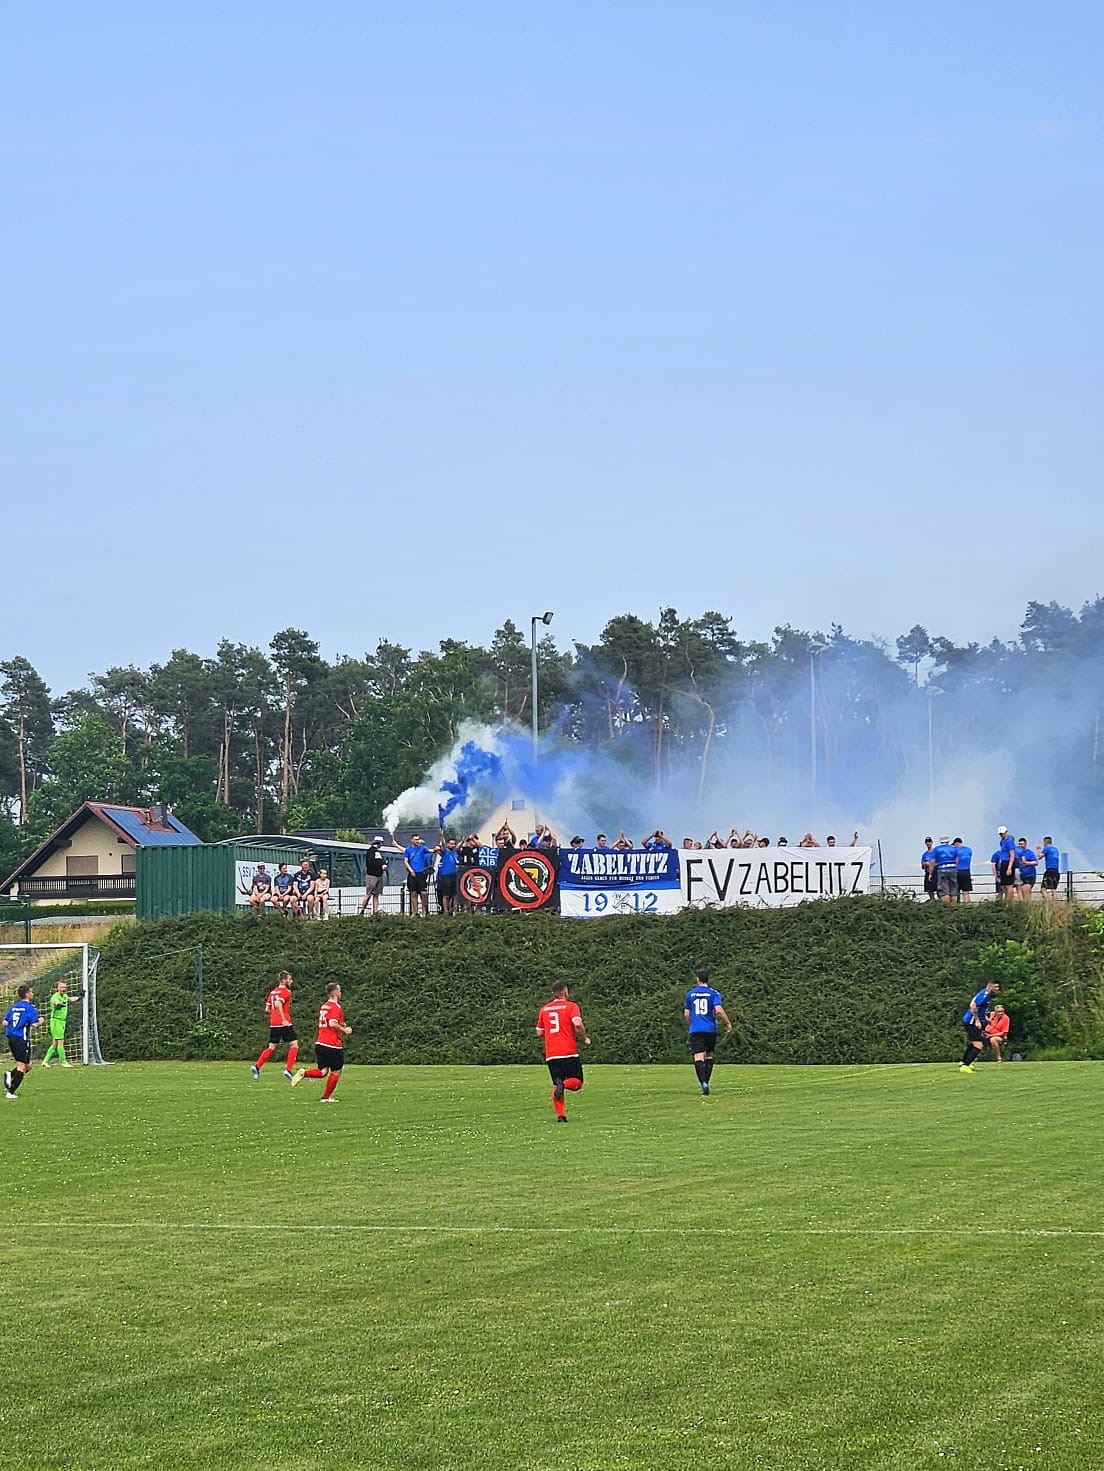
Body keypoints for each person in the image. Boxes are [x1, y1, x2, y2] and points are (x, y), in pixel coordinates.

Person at [535, 981, 590, 1123]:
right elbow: (577, 1024)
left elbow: (539, 1032)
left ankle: (561, 1116)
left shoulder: (544, 1009)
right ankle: (563, 1085)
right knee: (577, 1082)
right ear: (565, 991)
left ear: (553, 993)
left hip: (551, 1053)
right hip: (568, 1051)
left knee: (556, 1083)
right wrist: (584, 1038)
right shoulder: (571, 1006)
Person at [291, 983, 351, 1102]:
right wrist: (345, 1030)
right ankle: (326, 1097)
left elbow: (330, 1022)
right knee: (336, 1071)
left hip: (320, 1043)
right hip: (332, 1044)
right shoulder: (335, 1007)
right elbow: (332, 1024)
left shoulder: (324, 1006)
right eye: (339, 991)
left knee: (323, 1071)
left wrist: (341, 1024)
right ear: (334, 993)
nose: (340, 993)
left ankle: (305, 1073)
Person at [683, 968, 733, 1096]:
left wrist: (691, 1024)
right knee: (709, 1054)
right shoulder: (714, 993)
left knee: (698, 1056)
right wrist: (727, 1023)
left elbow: (687, 1013)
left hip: (696, 1029)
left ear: (697, 979)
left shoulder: (691, 994)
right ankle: (706, 1080)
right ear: (707, 979)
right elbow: (718, 1010)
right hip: (710, 1029)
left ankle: (703, 1082)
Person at [250, 970, 300, 1081]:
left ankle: (257, 1066)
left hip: (273, 1023)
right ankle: (288, 1069)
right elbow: (278, 1004)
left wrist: (275, 1016)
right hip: (284, 1022)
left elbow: (267, 1009)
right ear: (284, 980)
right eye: (289, 979)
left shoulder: (273, 992)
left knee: (271, 1047)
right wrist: (283, 1019)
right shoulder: (286, 992)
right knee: (294, 1045)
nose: (291, 981)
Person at [3, 985, 42, 1100]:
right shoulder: (30, 1008)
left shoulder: (14, 1007)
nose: (32, 994)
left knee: (28, 1066)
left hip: (11, 1037)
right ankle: (10, 1092)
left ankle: (10, 1075)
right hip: (21, 1038)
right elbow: (35, 1024)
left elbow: (5, 1022)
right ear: (27, 994)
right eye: (31, 992)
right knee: (22, 1066)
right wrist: (41, 1021)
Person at [959, 981, 1000, 1072]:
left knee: (974, 1043)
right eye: (996, 986)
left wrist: (985, 1018)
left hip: (972, 1020)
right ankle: (965, 1066)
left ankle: (964, 1061)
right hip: (972, 1021)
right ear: (990, 986)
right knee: (978, 1045)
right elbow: (973, 1006)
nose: (997, 989)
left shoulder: (986, 994)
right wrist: (977, 1020)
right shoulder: (984, 995)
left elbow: (980, 1009)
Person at [41, 979, 79, 1068]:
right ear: (57, 988)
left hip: (62, 1021)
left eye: (65, 987)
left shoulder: (65, 996)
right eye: (62, 987)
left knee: (55, 1043)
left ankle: (45, 1061)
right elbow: (56, 1002)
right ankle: (63, 1061)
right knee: (60, 1041)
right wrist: (58, 1005)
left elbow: (71, 999)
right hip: (56, 1021)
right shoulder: (55, 997)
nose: (64, 989)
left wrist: (79, 996)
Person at [403, 834, 434, 917]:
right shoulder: (408, 850)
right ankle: (415, 912)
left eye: (418, 839)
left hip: (421, 873)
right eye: (415, 839)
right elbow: (405, 861)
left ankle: (424, 910)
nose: (417, 841)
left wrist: (437, 847)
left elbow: (432, 851)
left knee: (423, 893)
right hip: (412, 873)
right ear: (412, 840)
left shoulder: (422, 848)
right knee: (413, 893)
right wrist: (411, 870)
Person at [359, 839, 387, 916]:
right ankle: (362, 910)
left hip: (379, 875)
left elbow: (381, 860)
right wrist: (380, 866)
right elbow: (371, 863)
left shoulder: (378, 852)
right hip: (372, 875)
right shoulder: (371, 851)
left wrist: (384, 865)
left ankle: (375, 911)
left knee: (376, 894)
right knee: (369, 894)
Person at [434, 835, 459, 915]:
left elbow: (460, 846)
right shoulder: (445, 852)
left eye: (454, 844)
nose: (453, 845)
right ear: (448, 844)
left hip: (454, 874)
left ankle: (453, 910)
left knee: (453, 894)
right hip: (445, 875)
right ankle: (446, 911)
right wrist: (442, 836)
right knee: (446, 895)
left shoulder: (455, 853)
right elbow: (443, 846)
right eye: (451, 844)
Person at [932, 836, 958, 903]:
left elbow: (932, 861)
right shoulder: (954, 849)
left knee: (944, 891)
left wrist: (930, 873)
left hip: (941, 869)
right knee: (953, 890)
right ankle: (954, 907)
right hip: (952, 869)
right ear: (948, 841)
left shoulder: (936, 849)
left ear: (940, 841)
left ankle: (947, 908)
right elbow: (957, 860)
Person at [996, 826, 1017, 899]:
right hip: (1003, 862)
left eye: (1002, 833)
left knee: (1009, 885)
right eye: (1000, 834)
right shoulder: (1002, 841)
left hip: (1008, 862)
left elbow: (1012, 854)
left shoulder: (1009, 841)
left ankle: (1010, 901)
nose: (1001, 835)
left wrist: (1009, 867)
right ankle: (1006, 899)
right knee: (1003, 884)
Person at [1039, 836, 1061, 902]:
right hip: (1056, 870)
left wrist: (1038, 850)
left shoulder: (1046, 848)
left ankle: (1048, 902)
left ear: (1045, 842)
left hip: (1049, 870)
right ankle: (1054, 904)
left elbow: (1039, 857)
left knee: (1043, 889)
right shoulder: (1056, 849)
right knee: (1053, 889)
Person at [953, 838, 973, 904]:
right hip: (967, 871)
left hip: (958, 871)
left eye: (954, 845)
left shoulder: (955, 850)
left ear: (957, 843)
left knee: (955, 892)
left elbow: (956, 861)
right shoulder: (969, 850)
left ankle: (955, 907)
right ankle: (967, 908)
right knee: (966, 892)